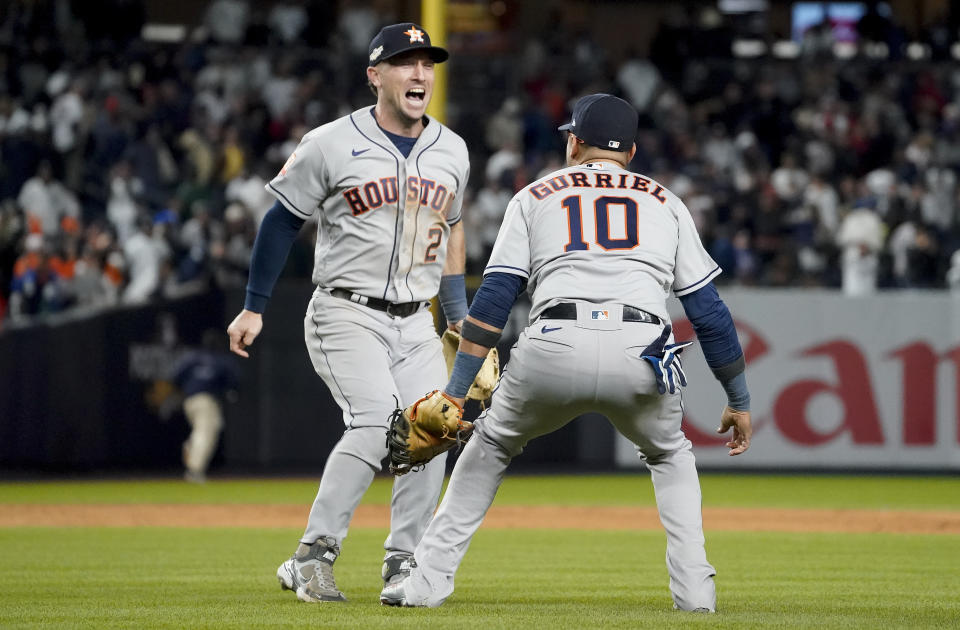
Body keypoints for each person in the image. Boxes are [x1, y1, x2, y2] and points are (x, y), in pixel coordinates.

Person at [381, 94, 753, 612]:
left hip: (555, 340)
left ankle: (424, 585)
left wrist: (455, 393)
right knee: (670, 455)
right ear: (633, 151)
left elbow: (493, 301)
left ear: (575, 142)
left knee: (489, 447)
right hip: (642, 349)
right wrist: (738, 398)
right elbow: (710, 314)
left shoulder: (535, 194)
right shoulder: (667, 202)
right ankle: (695, 596)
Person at [226, 22, 470, 603]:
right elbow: (281, 220)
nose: (419, 74)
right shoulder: (330, 142)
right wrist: (253, 307)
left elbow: (454, 227)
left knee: (433, 429)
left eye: (426, 64)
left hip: (418, 320)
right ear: (375, 75)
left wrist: (456, 313)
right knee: (374, 422)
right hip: (345, 310)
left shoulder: (453, 149)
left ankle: (404, 564)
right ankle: (310, 557)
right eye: (405, 62)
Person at [171, 329, 240, 483]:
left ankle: (191, 447)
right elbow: (234, 382)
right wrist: (229, 391)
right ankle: (194, 471)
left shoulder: (193, 357)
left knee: (210, 429)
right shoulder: (221, 359)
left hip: (190, 401)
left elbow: (175, 376)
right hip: (206, 401)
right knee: (205, 433)